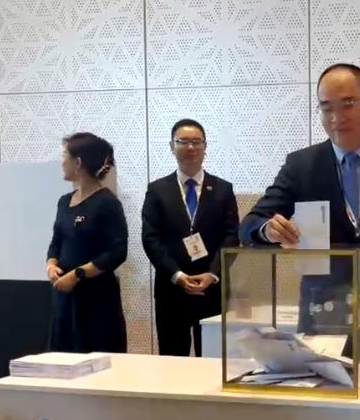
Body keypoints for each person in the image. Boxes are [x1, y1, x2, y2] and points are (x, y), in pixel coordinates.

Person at [239, 63, 360, 366]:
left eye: (347, 104)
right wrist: (268, 229)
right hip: (322, 321)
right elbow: (249, 225)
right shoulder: (301, 166)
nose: (336, 117)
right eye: (326, 108)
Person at [142, 119, 239, 356]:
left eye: (197, 141)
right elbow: (151, 238)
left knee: (213, 359)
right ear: (171, 146)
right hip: (172, 289)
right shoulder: (157, 190)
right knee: (173, 359)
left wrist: (213, 274)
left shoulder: (223, 189)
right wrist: (177, 275)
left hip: (212, 289)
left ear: (205, 146)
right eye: (183, 142)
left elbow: (231, 236)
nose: (191, 147)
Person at [46, 133, 128, 352]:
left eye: (65, 156)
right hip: (65, 298)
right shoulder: (64, 201)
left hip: (96, 299)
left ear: (78, 162)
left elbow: (117, 252)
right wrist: (51, 265)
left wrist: (77, 274)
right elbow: (56, 241)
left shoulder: (107, 203)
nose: (62, 163)